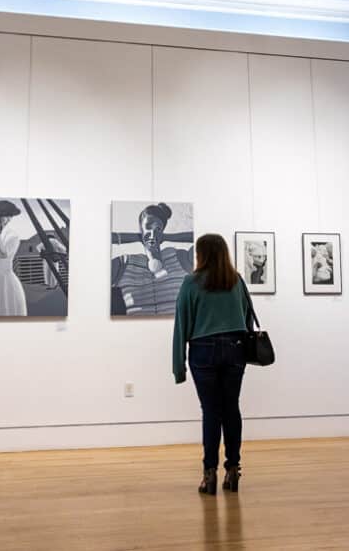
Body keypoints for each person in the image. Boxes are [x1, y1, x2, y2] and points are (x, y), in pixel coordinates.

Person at [172, 233, 250, 496]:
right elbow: (247, 318)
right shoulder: (236, 281)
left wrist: (178, 365)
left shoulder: (191, 282)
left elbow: (182, 323)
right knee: (231, 409)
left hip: (203, 350)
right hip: (235, 349)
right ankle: (233, 469)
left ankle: (209, 475)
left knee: (211, 411)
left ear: (202, 255)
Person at [110, 203, 193, 315]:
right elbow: (96, 240)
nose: (153, 233)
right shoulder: (124, 263)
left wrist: (166, 237)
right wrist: (138, 237)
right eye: (148, 226)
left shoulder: (180, 258)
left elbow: (205, 238)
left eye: (158, 228)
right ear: (140, 229)